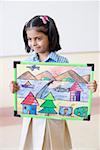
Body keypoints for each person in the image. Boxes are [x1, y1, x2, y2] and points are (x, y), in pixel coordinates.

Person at [11, 15, 97, 150]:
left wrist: (90, 86)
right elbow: (22, 87)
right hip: (32, 117)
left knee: (55, 144)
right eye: (29, 39)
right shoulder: (28, 63)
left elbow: (76, 85)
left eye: (38, 38)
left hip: (55, 117)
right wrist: (15, 87)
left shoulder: (62, 62)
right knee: (32, 144)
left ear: (50, 37)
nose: (33, 43)